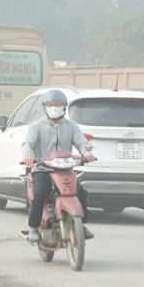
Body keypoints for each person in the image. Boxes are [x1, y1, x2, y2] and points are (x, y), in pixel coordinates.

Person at [22, 89, 97, 242]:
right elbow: (28, 144)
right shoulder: (36, 126)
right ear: (45, 106)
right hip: (43, 169)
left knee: (81, 192)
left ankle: (81, 226)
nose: (54, 107)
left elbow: (81, 143)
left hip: (65, 170)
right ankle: (33, 228)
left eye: (58, 104)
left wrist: (86, 154)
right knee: (41, 193)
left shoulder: (71, 126)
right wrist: (28, 157)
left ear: (64, 106)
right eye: (51, 104)